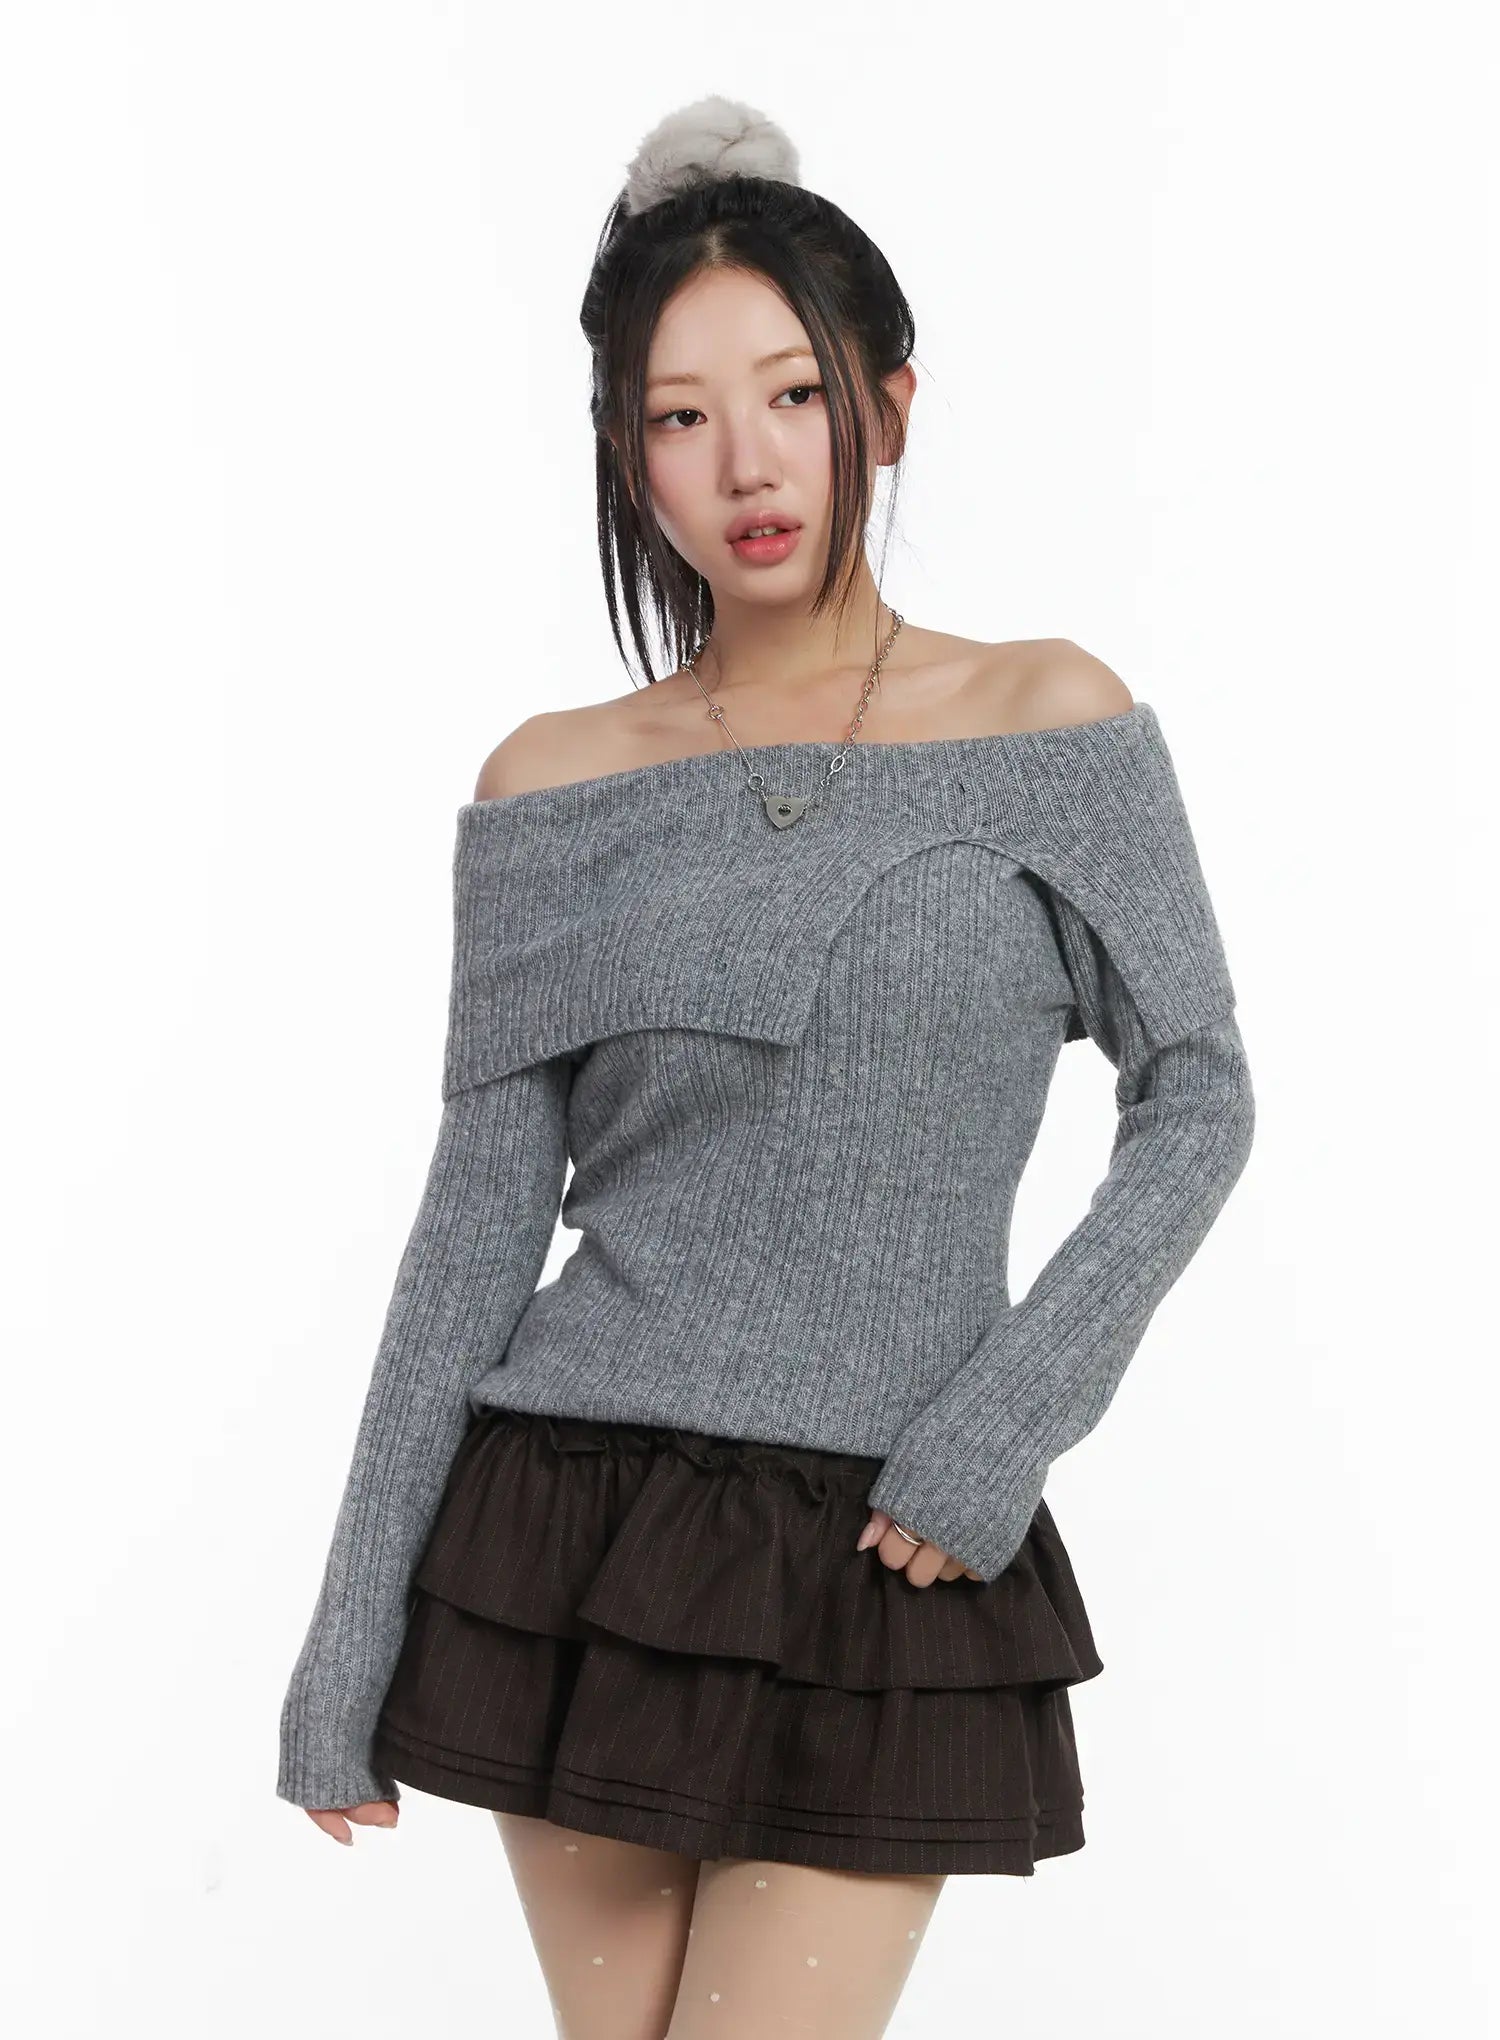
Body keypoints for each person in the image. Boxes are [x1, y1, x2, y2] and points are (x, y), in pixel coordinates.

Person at [276, 93, 1255, 2040]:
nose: (746, 463)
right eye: (679, 415)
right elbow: (472, 1237)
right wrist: (345, 1635)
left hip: (884, 1536)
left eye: (794, 396)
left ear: (887, 406)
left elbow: (1200, 1098)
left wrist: (1004, 1425)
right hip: (569, 1525)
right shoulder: (553, 786)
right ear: (625, 452)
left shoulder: (1050, 721)